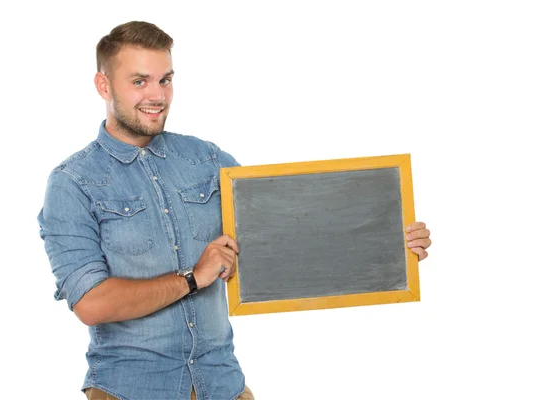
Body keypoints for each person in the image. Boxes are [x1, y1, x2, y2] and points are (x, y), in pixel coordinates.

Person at [38, 21, 432, 400]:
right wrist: (194, 277)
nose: (157, 95)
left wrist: (385, 242)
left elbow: (285, 234)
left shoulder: (205, 159)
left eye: (166, 79)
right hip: (129, 390)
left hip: (222, 386)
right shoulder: (73, 183)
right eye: (139, 81)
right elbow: (91, 303)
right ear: (103, 85)